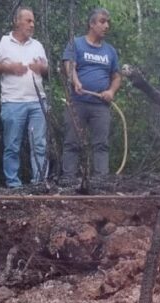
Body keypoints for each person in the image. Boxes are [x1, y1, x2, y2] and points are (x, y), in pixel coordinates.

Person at [0, 7, 49, 189]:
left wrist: (41, 68)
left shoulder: (37, 45)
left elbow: (47, 71)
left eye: (33, 21)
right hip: (13, 102)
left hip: (37, 102)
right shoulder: (2, 42)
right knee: (12, 145)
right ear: (16, 21)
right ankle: (13, 185)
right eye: (28, 21)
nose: (32, 25)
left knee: (39, 145)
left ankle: (40, 183)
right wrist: (7, 67)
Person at [60, 7, 120, 181]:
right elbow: (69, 65)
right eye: (102, 21)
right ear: (91, 24)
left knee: (101, 144)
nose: (106, 26)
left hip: (101, 105)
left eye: (107, 22)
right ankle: (68, 180)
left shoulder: (110, 51)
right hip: (77, 102)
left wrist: (111, 91)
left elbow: (116, 77)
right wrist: (75, 81)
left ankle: (101, 181)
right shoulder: (76, 43)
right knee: (72, 142)